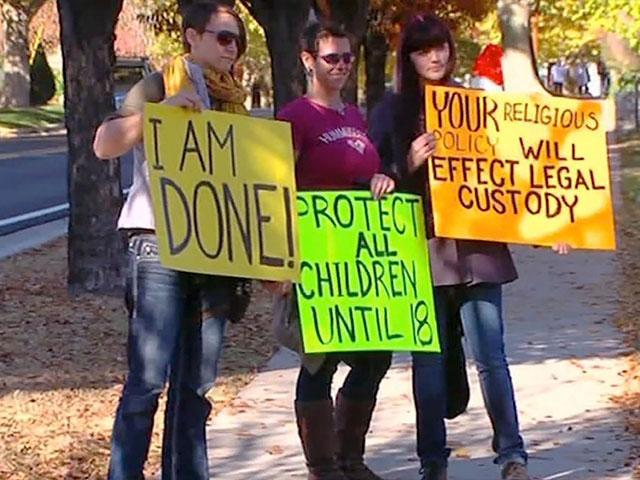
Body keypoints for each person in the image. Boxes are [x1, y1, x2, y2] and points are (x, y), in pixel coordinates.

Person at [369, 13, 571, 480]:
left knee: (492, 358)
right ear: (409, 57)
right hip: (422, 247)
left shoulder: (475, 104)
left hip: (478, 248)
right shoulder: (390, 111)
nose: (434, 56)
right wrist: (407, 162)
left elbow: (510, 175)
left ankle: (512, 456)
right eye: (422, 49)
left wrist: (551, 223)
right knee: (428, 363)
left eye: (440, 46)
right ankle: (432, 463)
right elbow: (375, 181)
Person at [93, 2, 251, 478]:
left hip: (218, 254)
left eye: (238, 40)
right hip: (159, 246)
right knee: (146, 383)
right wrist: (157, 115)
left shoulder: (238, 105)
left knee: (196, 389)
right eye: (224, 37)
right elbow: (104, 143)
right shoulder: (161, 84)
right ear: (191, 36)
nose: (233, 48)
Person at [270, 22, 396, 480]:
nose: (342, 65)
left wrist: (380, 181)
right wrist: (281, 262)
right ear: (308, 60)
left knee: (376, 355)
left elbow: (359, 177)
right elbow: (277, 187)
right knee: (319, 359)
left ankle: (350, 459)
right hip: (316, 259)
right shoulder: (294, 117)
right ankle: (323, 467)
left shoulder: (356, 117)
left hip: (360, 262)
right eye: (331, 58)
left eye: (347, 58)